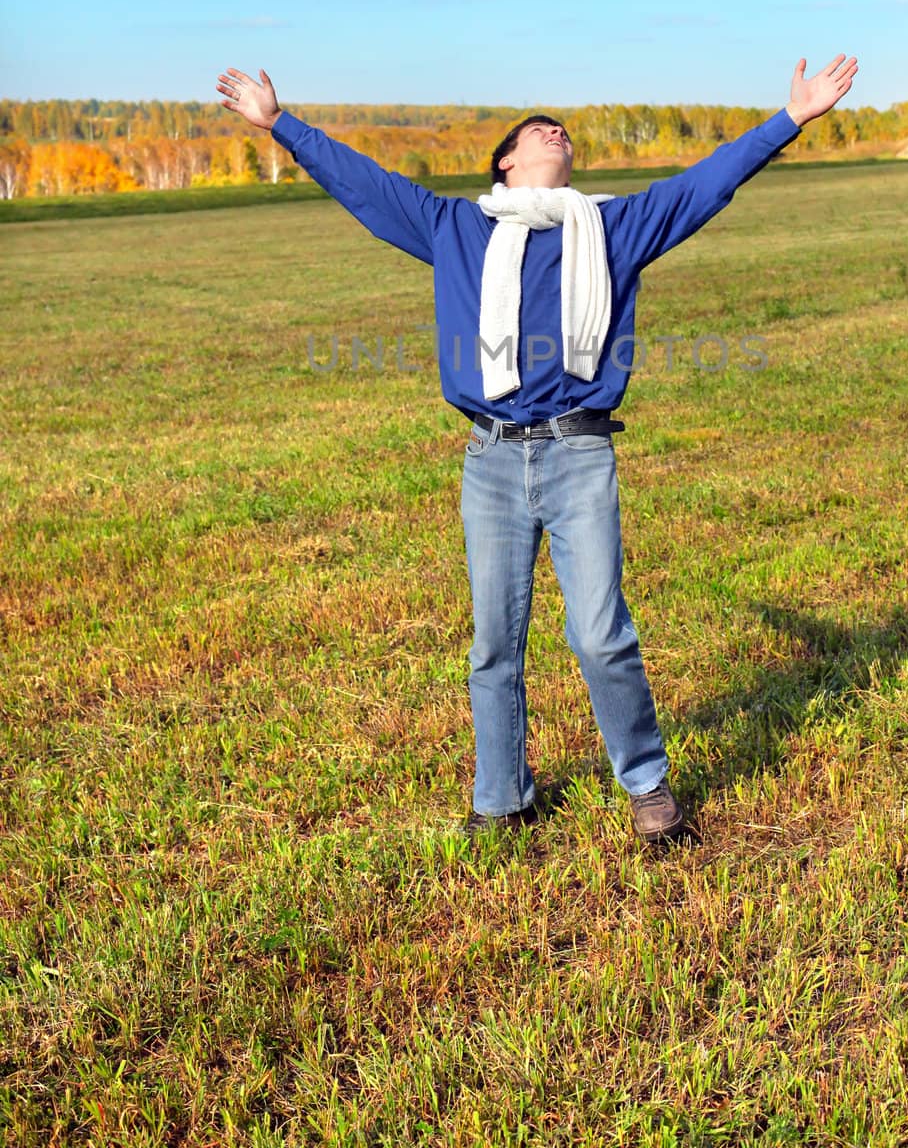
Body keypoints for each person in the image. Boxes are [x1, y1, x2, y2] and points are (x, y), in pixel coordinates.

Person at [215, 55, 857, 842]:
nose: (556, 131)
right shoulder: (454, 228)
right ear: (506, 162)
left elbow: (706, 182)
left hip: (578, 453)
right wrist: (280, 124)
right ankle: (502, 798)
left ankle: (647, 787)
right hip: (489, 459)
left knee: (599, 632)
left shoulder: (612, 227)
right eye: (536, 129)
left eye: (563, 130)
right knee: (494, 644)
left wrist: (789, 119)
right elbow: (364, 183)